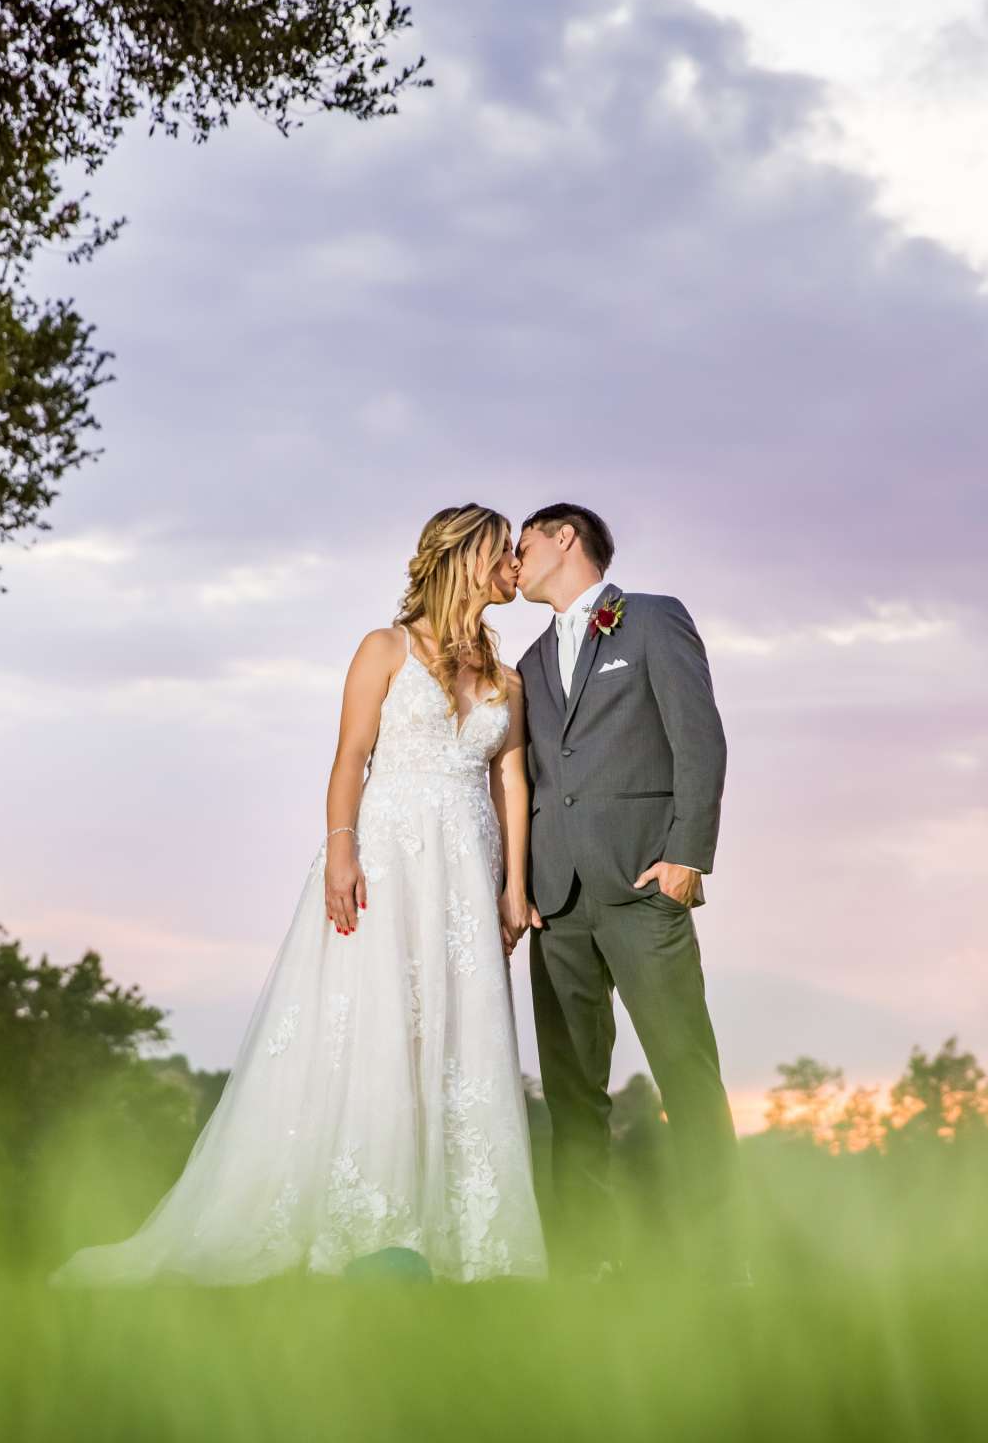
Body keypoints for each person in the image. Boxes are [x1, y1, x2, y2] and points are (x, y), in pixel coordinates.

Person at [49, 505, 548, 1285]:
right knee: (378, 1026)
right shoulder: (384, 648)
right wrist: (341, 851)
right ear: (464, 557)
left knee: (458, 1036)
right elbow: (350, 758)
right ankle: (371, 1224)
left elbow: (510, 780)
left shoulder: (507, 678)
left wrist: (514, 888)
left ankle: (467, 1238)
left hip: (465, 865)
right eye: (502, 551)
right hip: (385, 856)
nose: (514, 565)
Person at [513, 502, 741, 1281]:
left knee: (686, 1072)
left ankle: (721, 1260)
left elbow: (699, 737)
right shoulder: (528, 663)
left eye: (524, 543)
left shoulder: (649, 620)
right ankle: (584, 1264)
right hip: (557, 905)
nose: (513, 560)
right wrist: (518, 886)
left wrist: (688, 854)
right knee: (573, 1094)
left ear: (564, 538)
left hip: (646, 886)